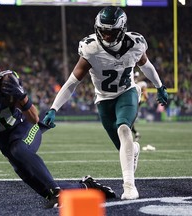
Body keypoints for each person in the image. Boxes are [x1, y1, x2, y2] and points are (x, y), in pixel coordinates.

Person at [0, 51, 116, 209]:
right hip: (6, 145)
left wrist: (22, 96)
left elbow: (34, 118)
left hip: (26, 128)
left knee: (19, 149)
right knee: (41, 188)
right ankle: (85, 187)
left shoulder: (7, 80)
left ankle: (56, 191)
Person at [43, 6, 168, 200]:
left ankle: (129, 187)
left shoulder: (135, 44)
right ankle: (134, 149)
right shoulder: (91, 49)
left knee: (124, 129)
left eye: (111, 31)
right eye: (103, 31)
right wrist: (53, 108)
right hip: (103, 100)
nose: (107, 36)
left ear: (122, 29)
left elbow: (146, 65)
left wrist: (159, 86)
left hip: (127, 93)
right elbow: (72, 82)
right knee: (123, 148)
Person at [131, 71, 149, 141]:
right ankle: (136, 134)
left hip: (135, 104)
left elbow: (146, 96)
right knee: (128, 121)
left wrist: (141, 101)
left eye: (136, 77)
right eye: (134, 77)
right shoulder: (130, 83)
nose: (135, 78)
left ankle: (135, 134)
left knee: (129, 121)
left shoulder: (141, 84)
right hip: (130, 103)